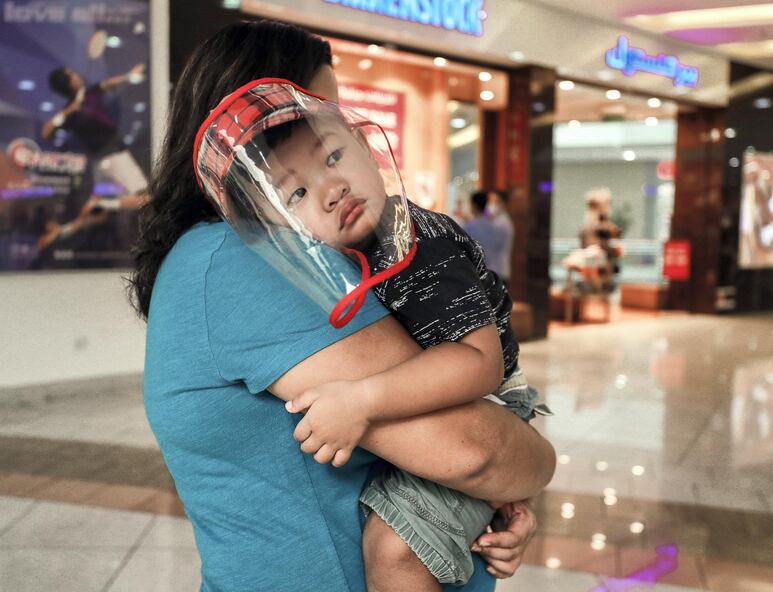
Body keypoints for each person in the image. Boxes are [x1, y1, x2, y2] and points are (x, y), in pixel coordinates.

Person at [129, 20, 555, 592]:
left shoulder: (386, 243)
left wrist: (493, 500)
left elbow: (476, 418)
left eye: (335, 134)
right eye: (296, 186)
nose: (332, 184)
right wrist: (515, 476)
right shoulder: (248, 257)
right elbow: (474, 454)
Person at [39, 64, 150, 250]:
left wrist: (129, 76)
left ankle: (62, 231)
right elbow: (46, 133)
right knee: (146, 199)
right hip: (115, 158)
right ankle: (101, 202)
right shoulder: (70, 112)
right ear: (67, 83)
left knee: (99, 216)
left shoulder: (90, 93)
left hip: (100, 165)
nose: (76, 74)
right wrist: (67, 112)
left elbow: (107, 84)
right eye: (71, 74)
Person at [462, 190, 503, 275]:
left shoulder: (468, 227)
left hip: (475, 271)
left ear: (474, 205)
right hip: (492, 271)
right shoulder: (494, 227)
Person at [487, 189, 514, 283]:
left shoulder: (502, 223)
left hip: (498, 272)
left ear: (502, 204)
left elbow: (491, 244)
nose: (490, 204)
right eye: (489, 201)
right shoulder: (494, 221)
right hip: (493, 271)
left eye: (494, 201)